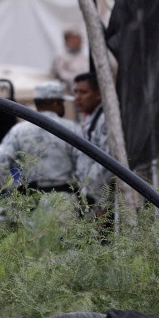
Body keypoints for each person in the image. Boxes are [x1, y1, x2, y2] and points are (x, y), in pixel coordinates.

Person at [0, 81, 79, 193]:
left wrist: (15, 190)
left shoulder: (18, 130)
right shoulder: (73, 129)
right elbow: (87, 167)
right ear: (56, 103)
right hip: (65, 202)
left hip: (32, 202)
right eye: (62, 102)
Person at [71, 71, 113, 215]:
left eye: (83, 92)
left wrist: (98, 202)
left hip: (100, 202)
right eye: (75, 92)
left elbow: (107, 163)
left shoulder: (105, 120)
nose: (77, 98)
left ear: (99, 94)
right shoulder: (92, 119)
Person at [51, 27, 89, 93]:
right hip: (71, 90)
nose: (79, 42)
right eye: (76, 39)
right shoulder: (61, 57)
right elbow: (61, 74)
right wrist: (79, 80)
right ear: (68, 39)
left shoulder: (83, 57)